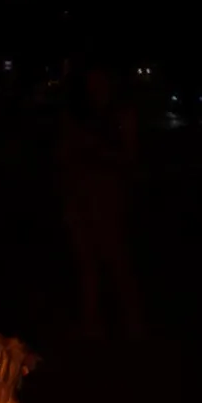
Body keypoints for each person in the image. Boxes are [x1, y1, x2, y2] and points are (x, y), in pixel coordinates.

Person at [57, 64, 143, 342]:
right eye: (90, 79)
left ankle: (132, 322)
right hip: (80, 194)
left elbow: (129, 157)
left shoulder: (119, 114)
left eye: (99, 78)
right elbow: (63, 153)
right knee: (87, 262)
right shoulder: (78, 114)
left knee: (115, 259)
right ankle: (91, 323)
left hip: (106, 195)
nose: (94, 84)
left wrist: (97, 150)